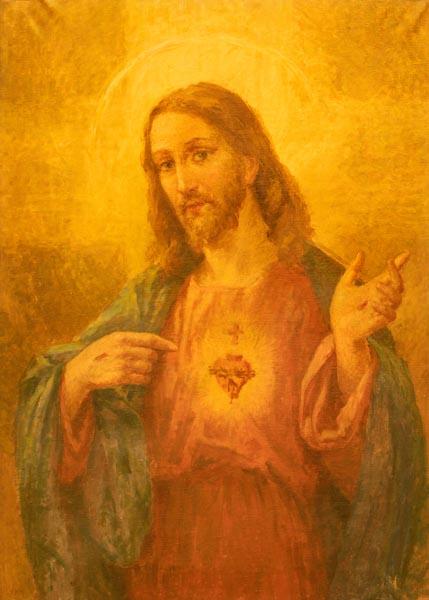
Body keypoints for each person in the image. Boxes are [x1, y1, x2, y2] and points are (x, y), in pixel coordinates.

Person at [17, 83, 426, 600]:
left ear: (250, 164)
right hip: (159, 576)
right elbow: (66, 460)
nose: (183, 182)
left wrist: (349, 347)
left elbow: (371, 484)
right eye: (166, 165)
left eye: (200, 155)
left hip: (282, 575)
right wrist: (75, 380)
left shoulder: (322, 294)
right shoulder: (151, 301)